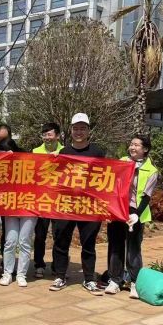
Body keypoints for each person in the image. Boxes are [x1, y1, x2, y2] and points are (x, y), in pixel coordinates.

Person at [48, 113, 107, 294]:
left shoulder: (98, 152)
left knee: (88, 243)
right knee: (61, 241)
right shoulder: (63, 153)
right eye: (76, 128)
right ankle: (60, 276)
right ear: (71, 130)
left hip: (89, 206)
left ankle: (89, 279)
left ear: (88, 131)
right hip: (66, 205)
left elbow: (106, 177)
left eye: (83, 128)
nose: (79, 132)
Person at [104, 134, 158, 298]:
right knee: (115, 245)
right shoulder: (122, 162)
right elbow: (111, 185)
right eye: (131, 144)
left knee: (133, 249)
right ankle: (115, 280)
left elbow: (146, 196)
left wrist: (137, 215)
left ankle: (134, 282)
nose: (132, 147)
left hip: (136, 211)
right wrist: (109, 209)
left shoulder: (151, 171)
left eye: (136, 145)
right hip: (118, 210)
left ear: (145, 149)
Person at [0, 138, 35, 287]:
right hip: (10, 206)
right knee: (10, 241)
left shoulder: (28, 161)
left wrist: (16, 159)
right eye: (0, 154)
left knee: (24, 241)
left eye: (5, 154)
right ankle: (7, 273)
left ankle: (21, 274)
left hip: (28, 206)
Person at [32, 122, 64, 278]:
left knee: (60, 235)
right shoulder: (35, 152)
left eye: (49, 134)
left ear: (57, 136)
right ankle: (39, 264)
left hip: (59, 200)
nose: (46, 138)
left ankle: (58, 266)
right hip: (41, 199)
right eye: (44, 135)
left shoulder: (65, 152)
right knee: (40, 235)